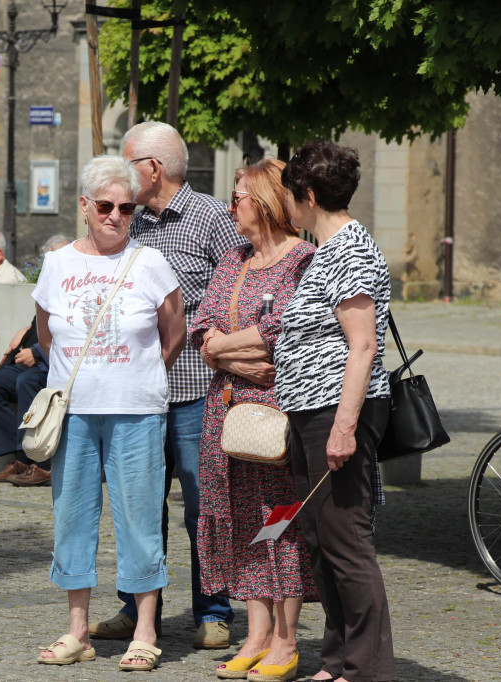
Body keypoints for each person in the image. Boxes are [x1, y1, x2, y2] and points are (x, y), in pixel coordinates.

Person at [90, 120, 241, 649]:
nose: (120, 176)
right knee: (138, 504)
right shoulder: (129, 220)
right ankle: (134, 609)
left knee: (204, 505)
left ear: (152, 168)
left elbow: (241, 287)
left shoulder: (210, 219)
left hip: (196, 390)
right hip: (136, 393)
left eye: (127, 161)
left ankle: (214, 611)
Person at [33, 155, 185, 671]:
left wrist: (140, 373)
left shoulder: (150, 262)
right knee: (71, 519)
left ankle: (145, 629)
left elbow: (175, 331)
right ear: (84, 207)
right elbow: (46, 335)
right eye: (106, 206)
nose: (117, 215)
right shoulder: (57, 264)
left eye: (126, 207)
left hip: (136, 410)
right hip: (73, 412)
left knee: (140, 521)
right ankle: (78, 630)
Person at [190, 160, 317, 681]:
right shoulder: (232, 259)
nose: (230, 206)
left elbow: (282, 329)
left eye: (238, 196)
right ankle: (256, 633)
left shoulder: (301, 259)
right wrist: (224, 351)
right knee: (242, 523)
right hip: (225, 413)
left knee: (280, 522)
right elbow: (202, 324)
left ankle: (286, 642)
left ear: (265, 201)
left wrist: (222, 345)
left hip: (277, 419)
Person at [274, 141, 393, 682]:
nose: (288, 207)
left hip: (336, 412)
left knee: (347, 542)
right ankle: (339, 660)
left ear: (310, 195)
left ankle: (367, 669)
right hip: (310, 412)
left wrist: (344, 428)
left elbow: (362, 345)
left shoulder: (351, 249)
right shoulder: (326, 249)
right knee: (321, 541)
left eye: (291, 196)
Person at [0, 234, 70, 488]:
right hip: (32, 359)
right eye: (50, 259)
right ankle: (15, 454)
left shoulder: (76, 286)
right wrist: (24, 334)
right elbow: (39, 323)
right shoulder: (48, 285)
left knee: (27, 382)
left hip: (53, 364)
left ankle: (34, 461)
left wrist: (36, 351)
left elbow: (71, 332)